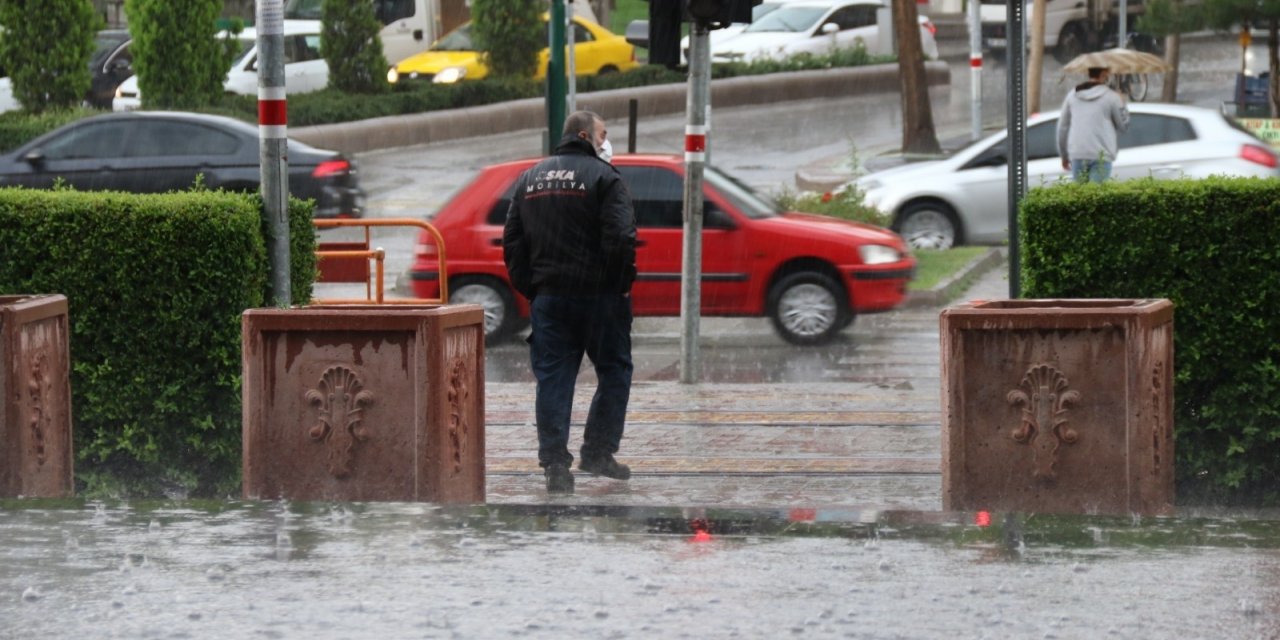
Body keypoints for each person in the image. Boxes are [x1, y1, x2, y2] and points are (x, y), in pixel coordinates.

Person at [502, 110, 637, 494]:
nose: (606, 141)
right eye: (603, 133)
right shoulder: (605, 178)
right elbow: (622, 238)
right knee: (614, 371)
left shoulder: (530, 179)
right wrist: (618, 284)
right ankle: (597, 450)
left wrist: (534, 288)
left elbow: (512, 242)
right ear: (584, 135)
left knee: (554, 381)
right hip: (600, 299)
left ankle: (555, 467)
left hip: (551, 300)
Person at [1057, 65, 1130, 184]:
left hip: (1078, 153)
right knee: (1096, 198)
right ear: (1103, 74)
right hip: (1101, 155)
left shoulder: (1072, 95)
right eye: (1108, 73)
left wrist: (1064, 156)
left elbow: (1062, 128)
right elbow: (1124, 126)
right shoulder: (1112, 97)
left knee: (1080, 198)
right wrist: (1122, 103)